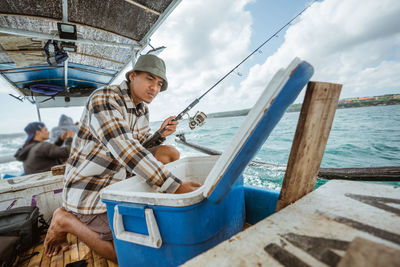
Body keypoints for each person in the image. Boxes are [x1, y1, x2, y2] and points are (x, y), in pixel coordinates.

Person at [44, 54, 201, 262]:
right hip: (90, 191)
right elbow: (128, 152)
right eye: (149, 78)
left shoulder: (142, 109)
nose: (155, 87)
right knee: (132, 255)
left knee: (169, 152)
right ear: (132, 76)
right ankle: (64, 219)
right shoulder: (104, 98)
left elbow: (140, 145)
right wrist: (178, 188)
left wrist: (160, 134)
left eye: (159, 83)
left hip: (119, 179)